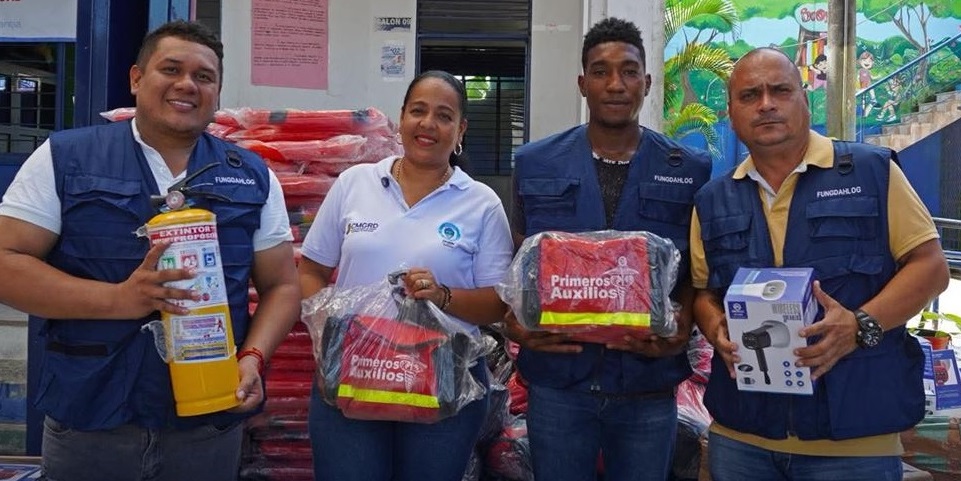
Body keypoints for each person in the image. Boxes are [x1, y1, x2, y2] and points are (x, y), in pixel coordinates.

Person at [0, 20, 301, 481]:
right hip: (91, 418)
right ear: (136, 78)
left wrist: (254, 357)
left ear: (217, 92)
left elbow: (282, 285)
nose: (187, 85)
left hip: (206, 426)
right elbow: (7, 263)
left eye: (204, 77)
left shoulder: (251, 175)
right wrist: (120, 300)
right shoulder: (65, 157)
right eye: (171, 69)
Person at [690, 47, 950, 481]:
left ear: (805, 101)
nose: (767, 104)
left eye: (781, 91)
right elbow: (702, 291)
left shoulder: (871, 172)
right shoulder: (713, 200)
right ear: (731, 113)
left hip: (854, 444)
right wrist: (715, 326)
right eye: (750, 95)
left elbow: (930, 266)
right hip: (742, 440)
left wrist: (860, 324)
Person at [508, 17, 712, 481]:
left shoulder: (689, 169)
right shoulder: (534, 162)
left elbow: (699, 275)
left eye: (628, 71)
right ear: (582, 83)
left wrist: (683, 328)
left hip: (647, 382)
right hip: (559, 381)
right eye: (600, 71)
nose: (615, 84)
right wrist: (515, 322)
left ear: (647, 81)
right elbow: (519, 260)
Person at [298, 70, 514, 481]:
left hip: (444, 375)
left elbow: (498, 302)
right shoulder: (355, 184)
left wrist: (443, 295)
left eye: (444, 115)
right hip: (354, 367)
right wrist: (323, 329)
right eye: (418, 111)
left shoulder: (481, 203)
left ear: (461, 129)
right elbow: (311, 269)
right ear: (401, 119)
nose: (428, 124)